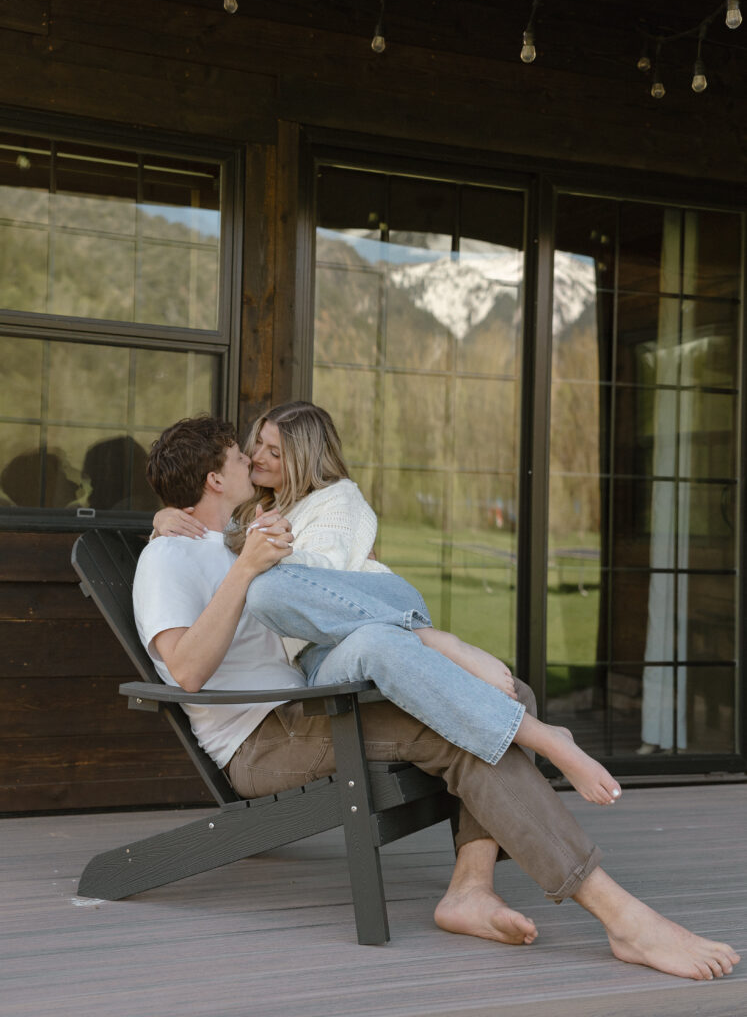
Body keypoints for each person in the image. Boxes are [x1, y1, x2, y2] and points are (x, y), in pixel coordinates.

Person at [135, 414, 740, 979]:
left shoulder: (234, 538)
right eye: (241, 457)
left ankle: (471, 889)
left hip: (314, 706)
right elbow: (185, 670)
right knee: (467, 720)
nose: (253, 460)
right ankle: (622, 917)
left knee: (500, 697)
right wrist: (235, 566)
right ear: (216, 479)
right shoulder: (167, 557)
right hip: (262, 740)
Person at [155, 402, 621, 807]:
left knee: (268, 589)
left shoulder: (337, 499)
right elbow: (216, 531)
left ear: (303, 460)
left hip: (380, 604)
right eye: (257, 444)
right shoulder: (254, 509)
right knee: (332, 621)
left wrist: (264, 556)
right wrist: (163, 516)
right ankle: (511, 714)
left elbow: (323, 572)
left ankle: (432, 637)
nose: (257, 456)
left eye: (273, 452)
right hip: (336, 650)